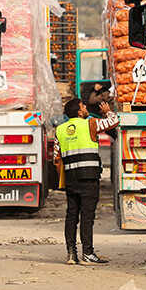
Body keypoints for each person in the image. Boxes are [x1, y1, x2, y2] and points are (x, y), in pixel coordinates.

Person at [54, 97, 119, 265]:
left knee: (71, 216)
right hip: (88, 178)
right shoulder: (90, 124)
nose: (86, 108)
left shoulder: (59, 130)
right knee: (87, 217)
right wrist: (107, 112)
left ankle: (71, 254)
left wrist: (65, 178)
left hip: (71, 179)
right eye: (83, 106)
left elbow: (56, 158)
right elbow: (113, 121)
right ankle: (88, 254)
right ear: (78, 111)